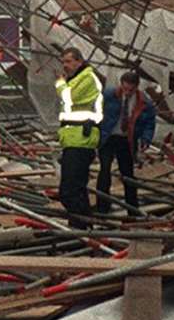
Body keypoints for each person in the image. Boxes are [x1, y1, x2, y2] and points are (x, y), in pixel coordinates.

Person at [97, 69, 156, 216]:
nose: (127, 92)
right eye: (125, 88)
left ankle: (132, 208)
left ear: (136, 87)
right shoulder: (109, 95)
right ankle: (102, 207)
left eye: (131, 89)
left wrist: (145, 139)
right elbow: (97, 112)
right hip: (108, 137)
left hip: (127, 139)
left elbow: (149, 122)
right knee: (104, 171)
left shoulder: (143, 102)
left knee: (128, 173)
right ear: (121, 85)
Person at [55, 46, 103, 225]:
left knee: (69, 191)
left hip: (81, 139)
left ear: (79, 61)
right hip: (74, 139)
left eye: (68, 61)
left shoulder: (87, 78)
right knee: (78, 188)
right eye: (63, 62)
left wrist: (60, 83)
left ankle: (81, 224)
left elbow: (68, 97)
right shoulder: (76, 79)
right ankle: (82, 226)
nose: (64, 65)